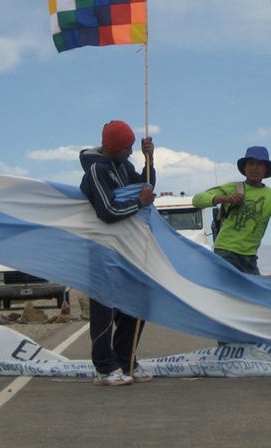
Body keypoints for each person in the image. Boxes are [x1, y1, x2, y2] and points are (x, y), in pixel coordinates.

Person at [79, 120, 155, 386]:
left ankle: (126, 359)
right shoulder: (96, 172)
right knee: (104, 308)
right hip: (103, 249)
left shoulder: (125, 167)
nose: (131, 152)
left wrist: (150, 159)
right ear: (114, 147)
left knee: (135, 303)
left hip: (126, 249)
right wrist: (138, 203)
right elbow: (108, 212)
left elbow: (146, 187)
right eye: (128, 147)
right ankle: (104, 366)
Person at [193, 146, 271, 275]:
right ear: (244, 168)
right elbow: (197, 200)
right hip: (226, 252)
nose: (255, 168)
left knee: (252, 293)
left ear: (266, 169)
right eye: (251, 163)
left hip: (250, 257)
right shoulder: (234, 188)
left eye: (259, 164)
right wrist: (224, 198)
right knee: (226, 292)